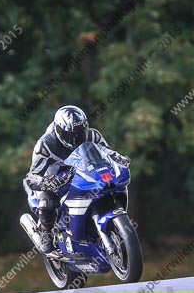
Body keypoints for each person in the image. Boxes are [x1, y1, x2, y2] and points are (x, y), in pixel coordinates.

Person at [23, 105, 130, 254]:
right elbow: (32, 176)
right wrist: (45, 182)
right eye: (71, 134)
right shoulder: (45, 144)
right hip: (54, 178)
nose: (77, 138)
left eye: (81, 132)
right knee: (48, 201)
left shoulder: (93, 135)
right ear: (59, 131)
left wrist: (118, 157)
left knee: (108, 184)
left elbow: (107, 152)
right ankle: (46, 233)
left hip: (83, 171)